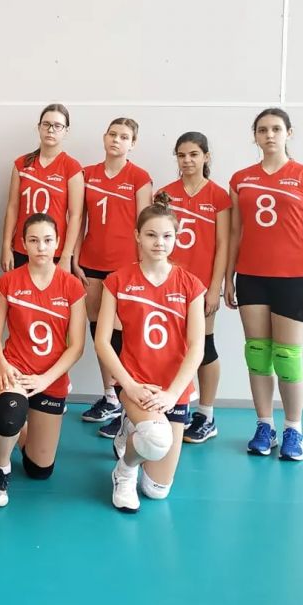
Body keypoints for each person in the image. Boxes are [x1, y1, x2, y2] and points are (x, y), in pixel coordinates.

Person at [225, 108, 303, 462]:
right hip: (251, 277)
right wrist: (228, 277)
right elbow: (235, 232)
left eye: (276, 129)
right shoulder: (241, 179)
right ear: (254, 135)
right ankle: (264, 425)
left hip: (294, 278)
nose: (269, 135)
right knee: (257, 354)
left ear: (288, 133)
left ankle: (294, 429)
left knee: (286, 357)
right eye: (262, 130)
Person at [95, 194, 205, 513]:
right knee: (156, 439)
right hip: (137, 383)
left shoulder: (191, 285)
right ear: (137, 236)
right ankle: (125, 470)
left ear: (176, 237)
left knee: (156, 491)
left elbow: (196, 347)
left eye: (167, 236)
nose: (159, 242)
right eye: (151, 235)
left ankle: (131, 431)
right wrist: (128, 386)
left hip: (173, 390)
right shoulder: (117, 281)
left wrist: (172, 394)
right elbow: (102, 341)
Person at [0, 213, 86, 507]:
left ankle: (22, 428)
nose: (41, 247)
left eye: (48, 240)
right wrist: (2, 366)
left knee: (39, 470)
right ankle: (0, 466)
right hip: (15, 370)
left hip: (50, 378)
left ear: (58, 243)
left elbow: (76, 346)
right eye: (34, 240)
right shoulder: (7, 282)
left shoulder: (72, 286)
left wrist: (45, 379)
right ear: (23, 243)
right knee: (9, 415)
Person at [73, 117, 151, 437]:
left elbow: (145, 225)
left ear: (133, 143)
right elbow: (78, 219)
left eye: (124, 136)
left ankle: (126, 400)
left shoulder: (139, 177)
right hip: (91, 264)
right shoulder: (87, 174)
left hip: (125, 268)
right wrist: (74, 257)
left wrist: (141, 267)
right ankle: (110, 398)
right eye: (113, 134)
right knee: (98, 332)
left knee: (120, 336)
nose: (117, 140)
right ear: (104, 137)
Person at [157, 132, 231, 443]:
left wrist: (215, 288)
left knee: (204, 346)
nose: (187, 160)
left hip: (201, 286)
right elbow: (156, 236)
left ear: (206, 157)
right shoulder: (165, 194)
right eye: (181, 155)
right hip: (170, 283)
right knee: (173, 347)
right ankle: (179, 405)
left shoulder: (218, 196)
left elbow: (224, 244)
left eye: (193, 154)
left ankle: (206, 414)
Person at [0, 104, 84, 273]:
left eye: (57, 126)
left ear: (66, 131)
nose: (51, 130)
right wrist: (6, 246)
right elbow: (13, 207)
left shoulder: (72, 167)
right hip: (23, 247)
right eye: (46, 124)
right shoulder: (22, 164)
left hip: (54, 250)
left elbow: (76, 216)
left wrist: (66, 256)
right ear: (39, 127)